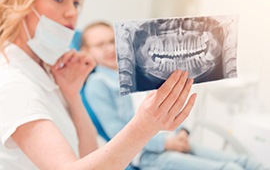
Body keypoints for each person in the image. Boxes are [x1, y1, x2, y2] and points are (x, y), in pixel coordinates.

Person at [0, 0, 197, 169]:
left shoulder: (46, 75)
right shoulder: (13, 84)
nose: (72, 12)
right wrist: (145, 126)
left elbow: (88, 153)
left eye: (76, 3)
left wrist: (72, 95)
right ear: (19, 1)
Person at [81, 21, 269, 170]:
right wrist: (166, 143)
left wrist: (183, 132)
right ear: (86, 51)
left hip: (176, 140)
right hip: (148, 154)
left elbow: (170, 104)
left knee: (247, 163)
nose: (108, 48)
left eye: (111, 41)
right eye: (99, 45)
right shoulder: (98, 84)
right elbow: (116, 132)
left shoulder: (142, 71)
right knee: (230, 168)